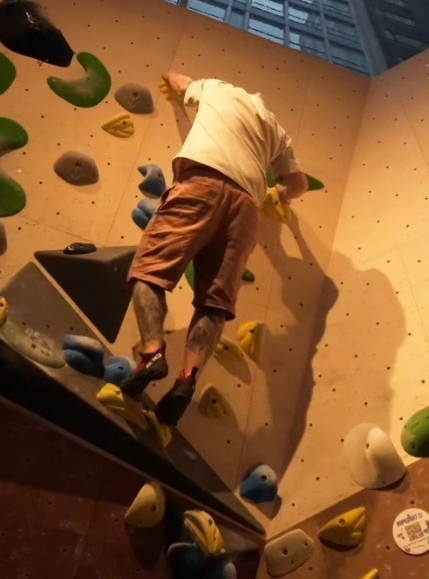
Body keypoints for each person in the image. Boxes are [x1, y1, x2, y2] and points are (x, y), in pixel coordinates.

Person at [123, 72, 308, 425]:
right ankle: (187, 378)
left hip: (202, 181)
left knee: (150, 270)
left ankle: (152, 352)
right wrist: (280, 195)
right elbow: (299, 185)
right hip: (247, 208)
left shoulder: (218, 89)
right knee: (214, 302)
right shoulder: (277, 132)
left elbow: (180, 81)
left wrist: (171, 81)